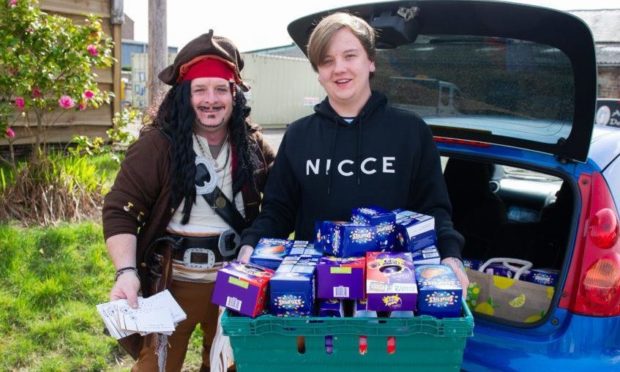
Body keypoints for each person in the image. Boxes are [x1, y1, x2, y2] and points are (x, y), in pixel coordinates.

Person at [238, 12, 469, 294]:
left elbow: (434, 209)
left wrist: (450, 255)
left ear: (370, 61)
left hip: (395, 291)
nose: (339, 69)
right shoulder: (299, 135)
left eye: (350, 56)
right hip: (316, 296)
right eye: (327, 61)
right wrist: (251, 245)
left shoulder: (411, 131)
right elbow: (278, 211)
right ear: (318, 72)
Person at [102, 30, 275, 371]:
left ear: (234, 94)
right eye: (200, 89)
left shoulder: (253, 144)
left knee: (232, 367)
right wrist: (125, 271)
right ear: (184, 95)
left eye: (220, 89)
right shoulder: (156, 146)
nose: (211, 99)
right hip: (170, 283)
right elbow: (120, 210)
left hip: (235, 285)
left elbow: (282, 203)